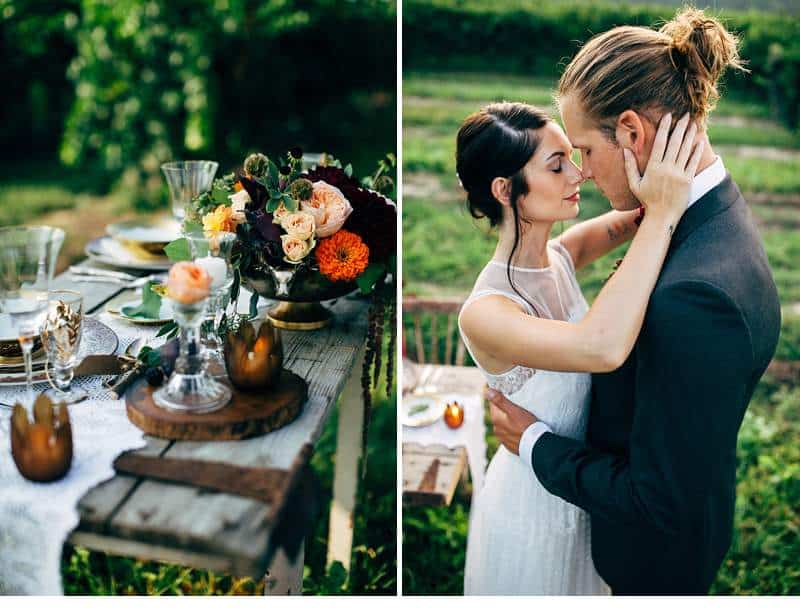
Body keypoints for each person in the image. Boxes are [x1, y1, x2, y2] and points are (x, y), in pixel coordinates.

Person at [482, 7, 781, 595]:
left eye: (587, 152)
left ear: (632, 132)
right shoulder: (713, 216)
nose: (583, 174)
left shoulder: (696, 297)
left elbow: (657, 499)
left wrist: (534, 444)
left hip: (653, 568)